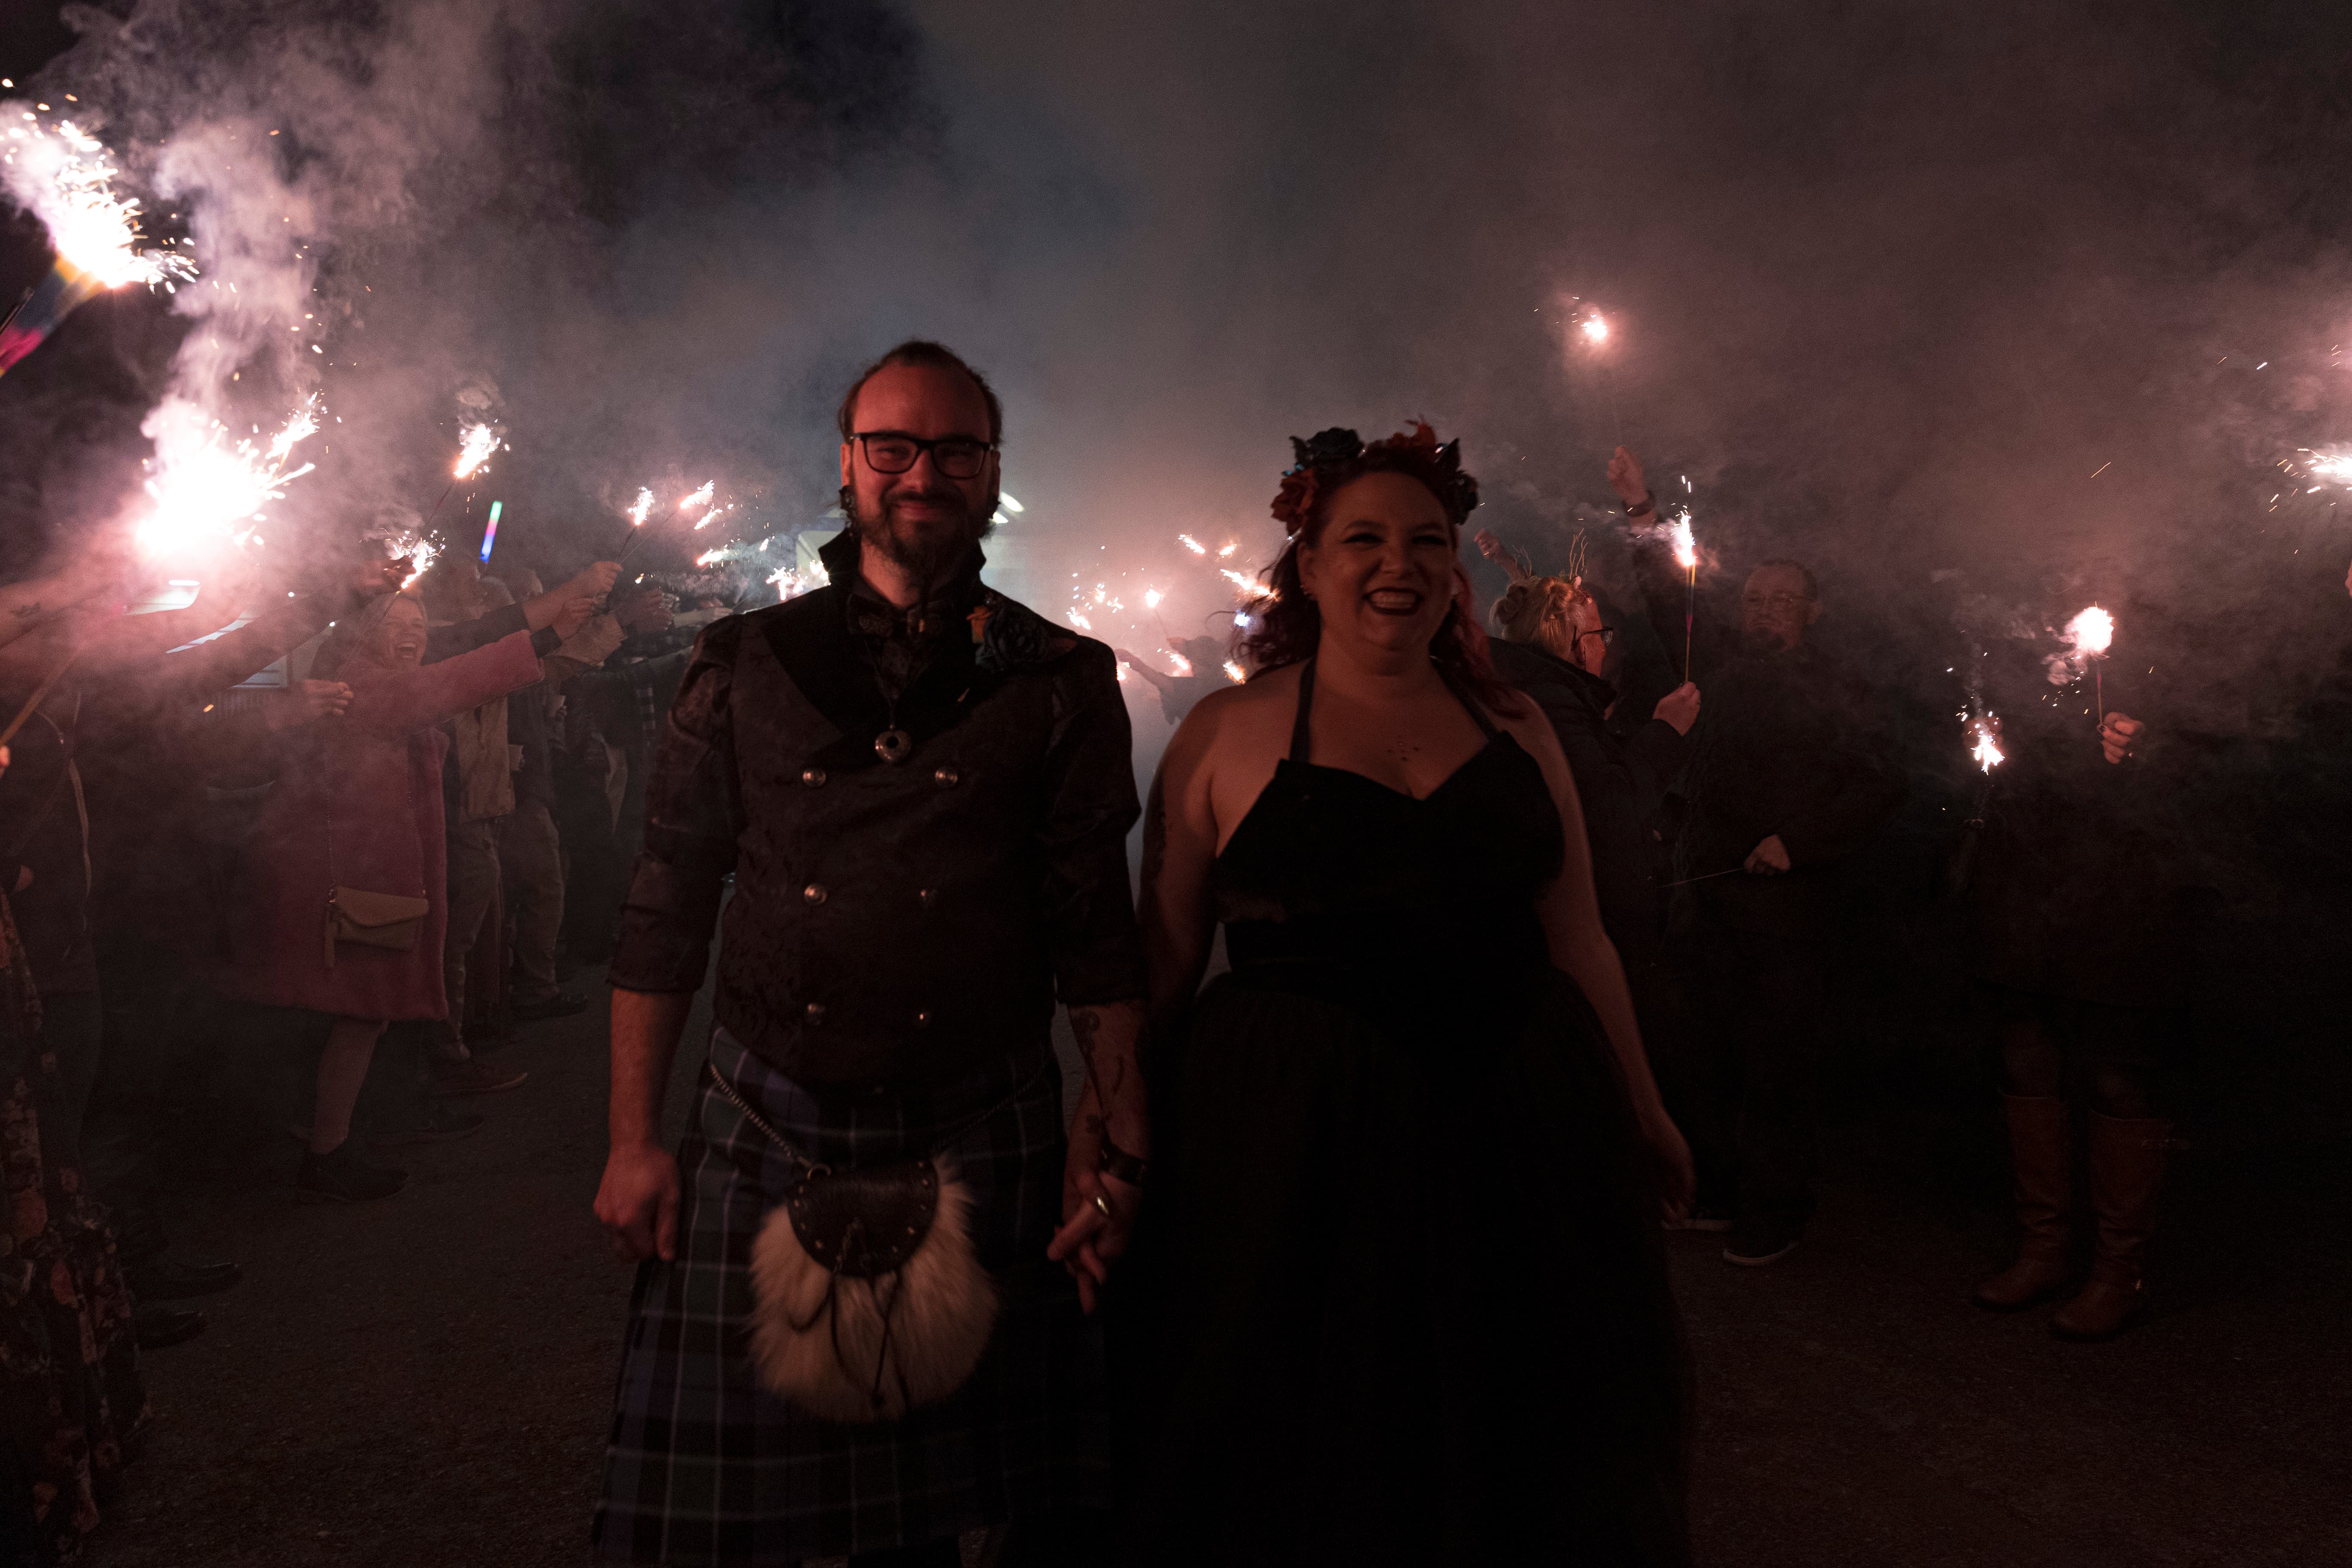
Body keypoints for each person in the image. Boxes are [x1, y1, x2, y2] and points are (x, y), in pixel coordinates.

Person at [593, 340, 1148, 1567]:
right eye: (891, 446)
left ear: (992, 472)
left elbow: (1094, 936)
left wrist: (1120, 1140)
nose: (922, 473)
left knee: (958, 1516)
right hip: (767, 1114)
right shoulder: (740, 661)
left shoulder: (1059, 675)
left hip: (983, 1118)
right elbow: (665, 904)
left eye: (955, 450)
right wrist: (635, 1140)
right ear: (846, 468)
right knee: (750, 1531)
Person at [1127, 424, 1692, 1565]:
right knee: (1319, 1435)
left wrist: (1643, 1105)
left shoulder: (1521, 727)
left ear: (1456, 569)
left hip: (1517, 1118)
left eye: (1428, 540)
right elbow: (1165, 964)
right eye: (1365, 538)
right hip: (1298, 1138)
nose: (1401, 562)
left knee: (1524, 1423)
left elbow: (1578, 938)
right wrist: (1117, 1121)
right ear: (1311, 562)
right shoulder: (1226, 733)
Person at [1616, 444, 1903, 1265]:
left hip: (1789, 906)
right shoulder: (1721, 662)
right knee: (1699, 1050)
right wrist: (1642, 512)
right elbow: (1668, 599)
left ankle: (1778, 1207)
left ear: (1813, 612)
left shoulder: (1845, 688)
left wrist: (1797, 843)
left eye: (1784, 600)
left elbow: (1886, 785)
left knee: (1777, 1063)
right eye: (1756, 598)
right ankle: (1715, 1189)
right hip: (1704, 896)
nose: (1766, 609)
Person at [223, 588, 581, 1201]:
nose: (414, 633)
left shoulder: (363, 682)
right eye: (397, 622)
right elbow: (454, 680)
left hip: (362, 880)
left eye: (420, 621)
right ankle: (326, 1151)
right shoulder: (361, 685)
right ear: (363, 633)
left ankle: (331, 1137)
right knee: (363, 1011)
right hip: (349, 887)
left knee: (361, 1014)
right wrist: (545, 633)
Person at [1960, 631, 2199, 1340]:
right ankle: (2045, 1251)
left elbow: (2240, 750)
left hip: (2127, 889)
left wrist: (2155, 751)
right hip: (2029, 875)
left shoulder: (2180, 630)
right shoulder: (2016, 630)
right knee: (2027, 1055)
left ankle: (2117, 1273)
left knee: (2117, 1075)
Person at [1478, 528, 1706, 1210]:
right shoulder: (1552, 707)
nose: (1608, 643)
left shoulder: (1531, 689)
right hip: (1572, 938)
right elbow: (1609, 812)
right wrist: (1665, 733)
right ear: (1574, 644)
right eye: (1599, 632)